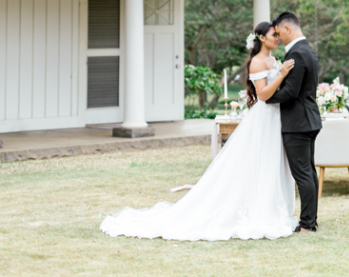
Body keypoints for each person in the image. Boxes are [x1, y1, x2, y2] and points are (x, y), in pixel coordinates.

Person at [100, 21, 298, 241]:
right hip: (263, 117)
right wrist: (280, 75)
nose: (277, 38)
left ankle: (270, 206)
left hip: (276, 117)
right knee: (255, 161)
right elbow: (262, 95)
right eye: (273, 34)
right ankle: (253, 211)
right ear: (261, 38)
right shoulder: (258, 62)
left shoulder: (273, 59)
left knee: (271, 162)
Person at [266, 11, 321, 233]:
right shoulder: (308, 50)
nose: (278, 38)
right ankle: (311, 219)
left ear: (288, 28)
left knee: (303, 174)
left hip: (297, 122)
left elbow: (290, 91)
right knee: (309, 171)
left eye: (279, 33)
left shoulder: (297, 53)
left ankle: (307, 224)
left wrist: (266, 97)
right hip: (309, 119)